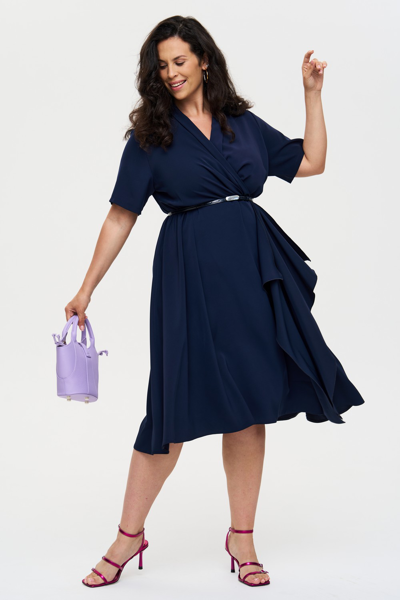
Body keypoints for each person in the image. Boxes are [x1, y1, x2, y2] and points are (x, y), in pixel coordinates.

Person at [66, 15, 365, 589]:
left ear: (204, 60)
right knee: (171, 407)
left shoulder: (240, 124)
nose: (171, 73)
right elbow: (121, 216)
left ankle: (242, 538)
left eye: (180, 61)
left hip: (249, 270)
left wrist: (312, 94)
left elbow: (311, 161)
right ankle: (128, 536)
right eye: (162, 65)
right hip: (187, 274)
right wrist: (86, 288)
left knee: (250, 405)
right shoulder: (151, 137)